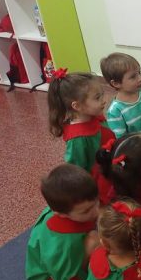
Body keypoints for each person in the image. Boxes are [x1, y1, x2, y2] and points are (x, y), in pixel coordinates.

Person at [26, 164, 100, 280]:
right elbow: (65, 278)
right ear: (61, 214)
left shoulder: (63, 206)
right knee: (95, 242)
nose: (97, 210)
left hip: (58, 263)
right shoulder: (63, 244)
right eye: (86, 211)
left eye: (96, 202)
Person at [47, 70, 115, 204]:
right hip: (99, 185)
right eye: (97, 98)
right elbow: (76, 171)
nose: (104, 100)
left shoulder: (94, 116)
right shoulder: (78, 138)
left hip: (111, 168)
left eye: (102, 94)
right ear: (77, 106)